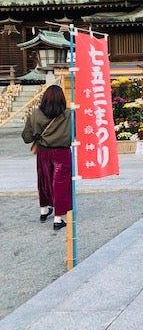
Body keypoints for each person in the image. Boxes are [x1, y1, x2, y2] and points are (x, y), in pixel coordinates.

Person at [21, 84, 72, 230]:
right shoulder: (68, 114)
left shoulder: (35, 114)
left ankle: (44, 210)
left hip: (43, 152)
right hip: (62, 153)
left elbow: (27, 137)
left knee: (44, 181)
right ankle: (58, 218)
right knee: (61, 184)